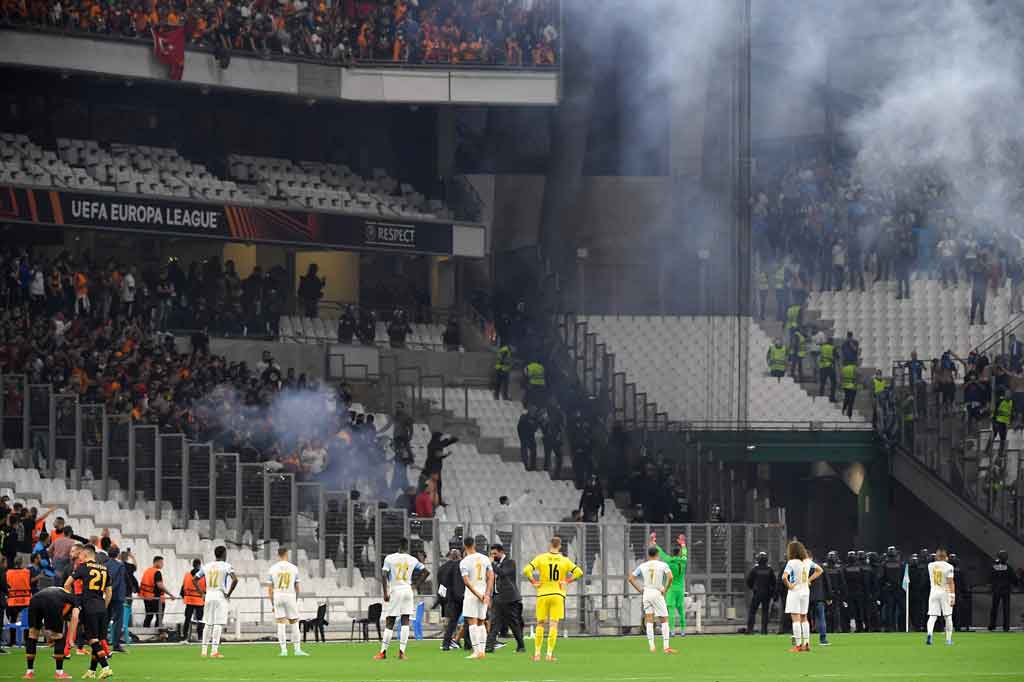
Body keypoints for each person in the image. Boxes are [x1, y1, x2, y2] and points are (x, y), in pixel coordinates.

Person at [523, 536, 583, 662]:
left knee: (540, 623)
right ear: (560, 546)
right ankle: (549, 654)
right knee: (554, 624)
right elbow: (579, 572)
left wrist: (534, 581)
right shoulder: (564, 560)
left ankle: (537, 654)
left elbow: (527, 570)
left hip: (543, 594)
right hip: (557, 594)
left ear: (550, 544)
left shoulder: (541, 558)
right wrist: (566, 581)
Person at [375, 538, 428, 661]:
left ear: (398, 546)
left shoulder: (389, 558)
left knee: (390, 621)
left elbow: (383, 575)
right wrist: (415, 586)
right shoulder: (412, 559)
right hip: (407, 590)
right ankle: (402, 653)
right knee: (405, 620)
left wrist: (385, 593)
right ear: (407, 547)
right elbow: (426, 572)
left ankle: (383, 652)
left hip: (396, 590)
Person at [65, 545, 112, 679]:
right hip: (102, 607)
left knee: (92, 640)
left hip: (89, 606)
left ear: (85, 555)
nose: (79, 558)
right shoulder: (104, 568)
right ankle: (92, 671)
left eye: (80, 555)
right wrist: (104, 606)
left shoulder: (83, 567)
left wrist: (73, 602)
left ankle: (106, 667)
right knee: (97, 640)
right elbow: (109, 591)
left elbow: (67, 584)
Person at [628, 546, 677, 654]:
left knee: (649, 619)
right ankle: (666, 647)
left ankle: (652, 646)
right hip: (656, 592)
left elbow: (631, 578)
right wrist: (665, 589)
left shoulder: (643, 565)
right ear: (657, 554)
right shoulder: (663, 565)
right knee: (664, 619)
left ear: (648, 555)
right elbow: (671, 577)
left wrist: (640, 589)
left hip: (646, 593)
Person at [23, 586, 78, 680]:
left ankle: (29, 672)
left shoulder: (61, 592)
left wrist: (49, 636)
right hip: (52, 600)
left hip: (35, 599)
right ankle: (59, 673)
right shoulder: (75, 600)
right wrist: (70, 639)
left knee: (32, 634)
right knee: (59, 637)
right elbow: (75, 617)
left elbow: (46, 621)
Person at [484, 543, 525, 654]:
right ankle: (489, 647)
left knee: (513, 623)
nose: (493, 555)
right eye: (491, 554)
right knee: (494, 623)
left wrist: (491, 563)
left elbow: (502, 573)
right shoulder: (495, 565)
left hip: (509, 598)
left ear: (501, 552)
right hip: (497, 597)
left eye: (495, 553)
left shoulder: (510, 562)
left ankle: (521, 645)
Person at [783, 540, 822, 652]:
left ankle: (798, 645)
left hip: (795, 592)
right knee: (804, 617)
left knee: (795, 618)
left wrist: (789, 585)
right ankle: (806, 643)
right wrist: (809, 579)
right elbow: (820, 570)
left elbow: (784, 577)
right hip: (805, 591)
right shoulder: (808, 561)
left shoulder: (792, 562)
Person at [198, 546, 236, 658]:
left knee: (208, 623)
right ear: (224, 554)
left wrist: (202, 594)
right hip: (220, 595)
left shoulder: (207, 566)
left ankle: (204, 651)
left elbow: (195, 579)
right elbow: (235, 579)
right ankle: (214, 651)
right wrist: (228, 594)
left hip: (209, 595)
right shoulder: (226, 566)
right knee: (218, 623)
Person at [459, 536, 493, 660]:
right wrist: (487, 594)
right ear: (474, 544)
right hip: (484, 592)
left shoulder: (464, 562)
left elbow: (466, 582)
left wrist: (477, 594)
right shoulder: (485, 559)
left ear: (465, 546)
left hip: (472, 594)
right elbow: (491, 576)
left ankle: (476, 651)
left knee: (472, 622)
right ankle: (482, 651)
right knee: (481, 622)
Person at [268, 548, 307, 657]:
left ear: (278, 555)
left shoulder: (272, 569)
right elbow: (297, 587)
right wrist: (295, 600)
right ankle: (297, 650)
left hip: (278, 596)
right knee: (294, 623)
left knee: (281, 624)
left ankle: (284, 650)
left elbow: (270, 589)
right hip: (290, 595)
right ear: (286, 554)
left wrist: (272, 604)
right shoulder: (294, 568)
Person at [650, 533, 687, 636]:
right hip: (680, 589)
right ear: (679, 553)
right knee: (681, 610)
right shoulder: (683, 561)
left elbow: (660, 553)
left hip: (670, 588)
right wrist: (683, 544)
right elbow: (685, 554)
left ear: (673, 553)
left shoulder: (669, 561)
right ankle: (683, 630)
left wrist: (654, 543)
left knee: (670, 611)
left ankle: (672, 631)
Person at [437, 549, 466, 652]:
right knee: (468, 620)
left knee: (452, 622)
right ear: (459, 556)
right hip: (463, 596)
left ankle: (446, 644)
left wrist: (442, 599)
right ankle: (468, 643)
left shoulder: (443, 568)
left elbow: (442, 584)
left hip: (450, 598)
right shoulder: (463, 565)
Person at [926, 549, 955, 646]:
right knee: (948, 616)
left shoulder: (930, 566)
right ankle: (948, 639)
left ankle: (929, 634)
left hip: (933, 592)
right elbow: (950, 582)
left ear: (936, 556)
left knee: (932, 616)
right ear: (946, 557)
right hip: (945, 592)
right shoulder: (949, 567)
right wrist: (952, 595)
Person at [139, 556, 174, 627]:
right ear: (156, 562)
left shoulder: (147, 571)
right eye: (161, 562)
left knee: (149, 616)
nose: (162, 564)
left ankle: (145, 632)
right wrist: (170, 594)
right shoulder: (157, 572)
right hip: (156, 598)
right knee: (159, 617)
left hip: (147, 597)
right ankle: (157, 633)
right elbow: (160, 585)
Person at [746, 551, 775, 635]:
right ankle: (764, 630)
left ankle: (750, 630)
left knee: (752, 611)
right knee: (765, 612)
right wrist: (772, 593)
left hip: (757, 593)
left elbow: (748, 581)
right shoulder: (770, 569)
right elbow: (773, 582)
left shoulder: (755, 569)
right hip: (767, 593)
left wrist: (753, 588)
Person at [104, 547, 127, 653]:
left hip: (106, 595)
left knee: (105, 619)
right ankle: (116, 644)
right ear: (117, 554)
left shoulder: (104, 565)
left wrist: (105, 592)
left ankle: (102, 642)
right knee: (118, 620)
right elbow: (118, 581)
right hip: (117, 596)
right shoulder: (120, 566)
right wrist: (111, 590)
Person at [807, 551, 831, 646]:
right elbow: (827, 582)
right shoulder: (820, 565)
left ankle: (804, 640)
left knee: (804, 618)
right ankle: (823, 639)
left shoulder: (802, 567)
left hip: (806, 597)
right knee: (821, 617)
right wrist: (829, 596)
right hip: (819, 597)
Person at [988, 549, 1015, 632]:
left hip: (996, 590)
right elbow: (1013, 579)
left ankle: (992, 626)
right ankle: (1006, 627)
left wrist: (991, 587)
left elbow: (989, 578)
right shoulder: (1008, 567)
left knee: (994, 608)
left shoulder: (993, 567)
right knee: (1006, 608)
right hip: (1006, 590)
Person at [180, 558, 206, 644]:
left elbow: (182, 589)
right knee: (200, 620)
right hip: (199, 601)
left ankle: (184, 636)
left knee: (187, 619)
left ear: (193, 565)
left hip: (189, 600)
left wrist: (184, 597)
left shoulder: (187, 575)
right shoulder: (203, 575)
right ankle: (200, 636)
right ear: (199, 565)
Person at [818, 337, 836, 402]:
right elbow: (836, 357)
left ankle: (820, 397)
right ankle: (832, 397)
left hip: (822, 367)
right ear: (831, 342)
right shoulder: (832, 348)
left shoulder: (822, 347)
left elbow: (820, 355)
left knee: (822, 383)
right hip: (829, 367)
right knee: (833, 382)